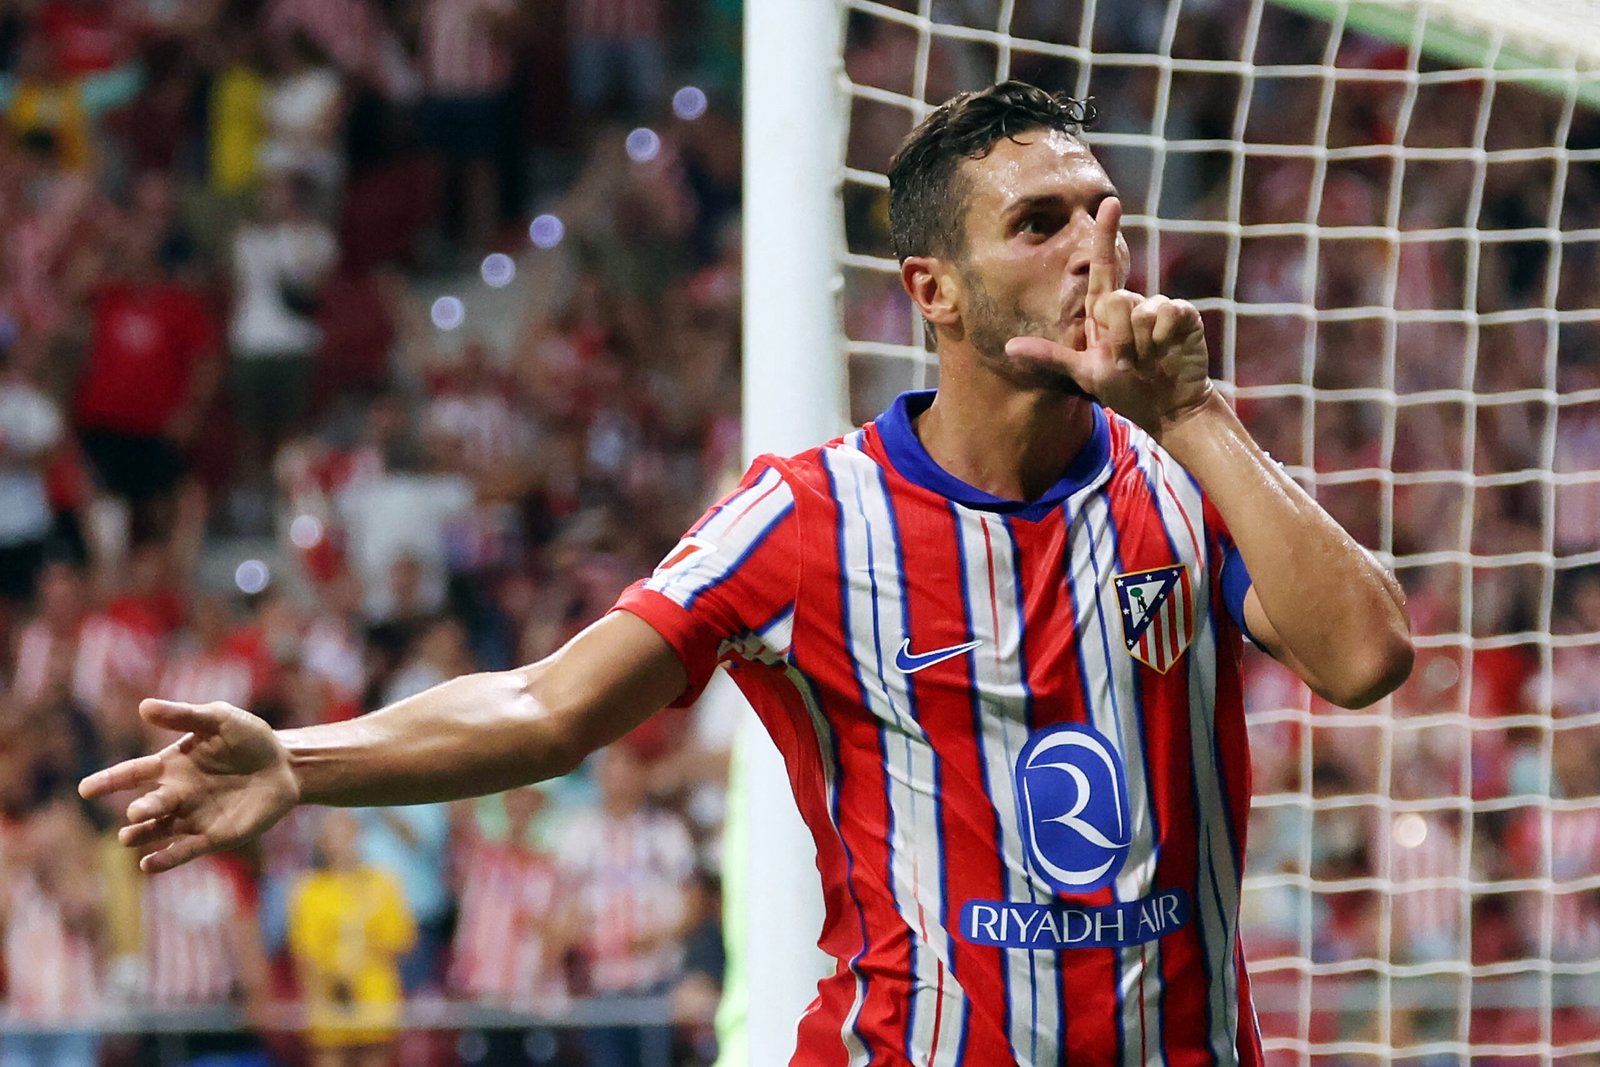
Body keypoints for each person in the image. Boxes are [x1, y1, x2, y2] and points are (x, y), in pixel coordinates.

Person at [81, 82, 1414, 1065]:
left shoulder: (1187, 469)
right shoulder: (809, 518)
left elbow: (1367, 659)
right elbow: (550, 708)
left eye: (1106, 218)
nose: (1092, 252)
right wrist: (301, 766)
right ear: (933, 289)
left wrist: (1192, 415)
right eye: (1041, 223)